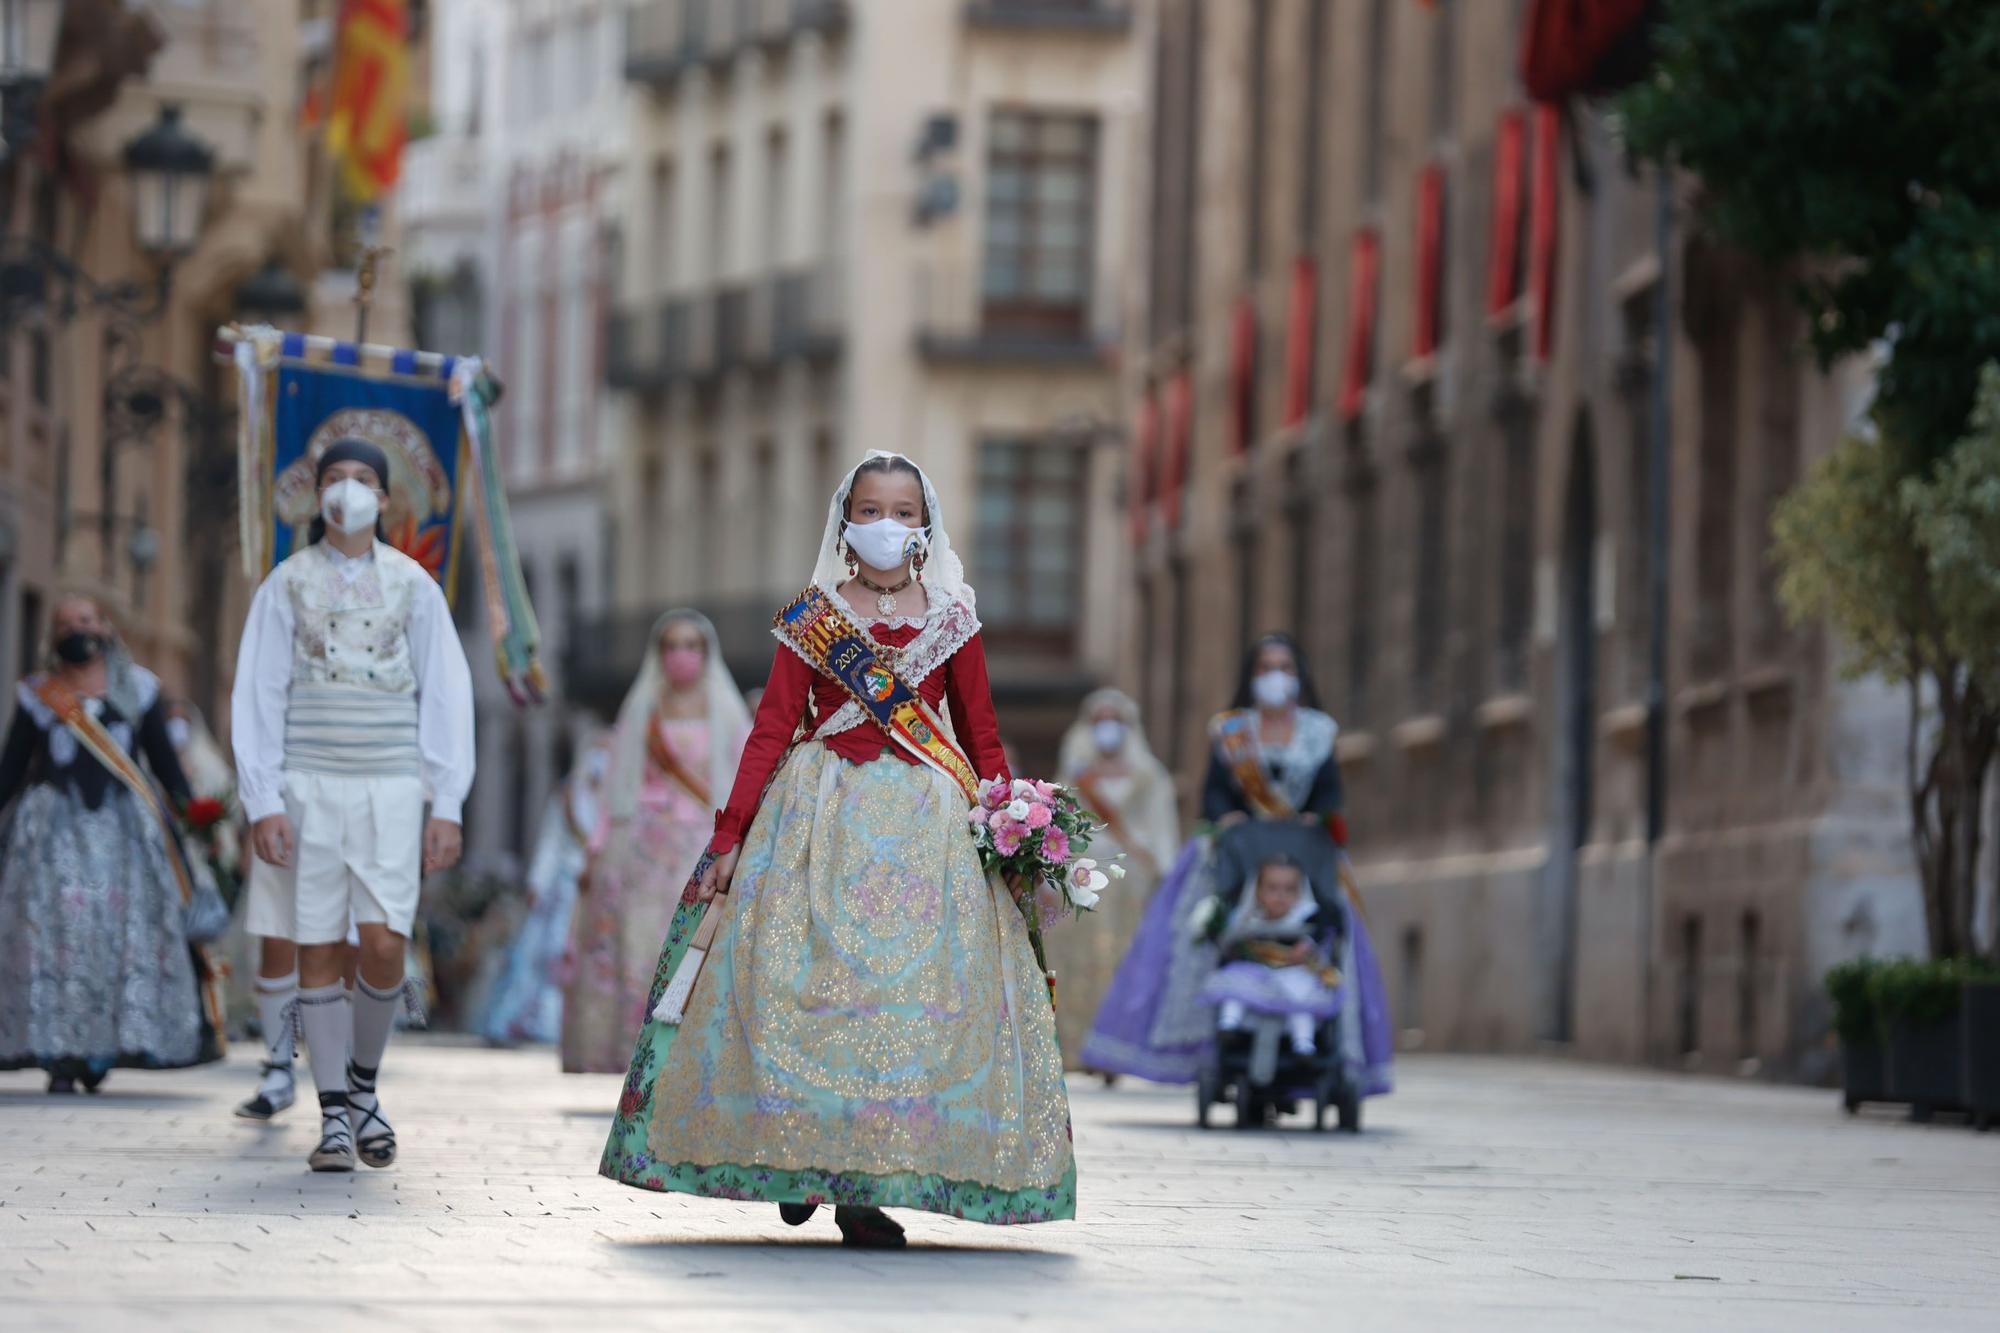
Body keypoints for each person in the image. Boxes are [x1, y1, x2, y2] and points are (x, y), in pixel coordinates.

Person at [599, 451, 1075, 1247]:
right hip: (817, 821)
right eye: (870, 509)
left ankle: (858, 1187)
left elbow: (981, 733)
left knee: (901, 1013)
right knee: (805, 993)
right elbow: (771, 730)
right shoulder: (812, 615)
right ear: (844, 521)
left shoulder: (953, 619)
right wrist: (729, 835)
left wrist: (1012, 827)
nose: (885, 524)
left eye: (901, 510)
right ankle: (804, 1158)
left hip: (929, 828)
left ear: (923, 525)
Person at [231, 439, 475, 1172]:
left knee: (382, 941)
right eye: (335, 478)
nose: (348, 489)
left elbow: (445, 694)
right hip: (308, 782)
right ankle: (334, 1113)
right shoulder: (287, 583)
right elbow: (260, 693)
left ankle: (364, 1082)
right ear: (317, 494)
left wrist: (447, 801)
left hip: (392, 786)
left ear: (386, 496)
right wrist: (263, 798)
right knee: (317, 943)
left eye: (362, 478)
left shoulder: (414, 586)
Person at [1080, 632, 1344, 1083]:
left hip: (1300, 857)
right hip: (1236, 855)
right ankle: (1214, 1039)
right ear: (1251, 676)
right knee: (1197, 931)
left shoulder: (1318, 732)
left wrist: (1315, 818)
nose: (1275, 678)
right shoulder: (1232, 731)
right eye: (1265, 669)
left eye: (1284, 668)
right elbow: (1215, 791)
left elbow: (1330, 792)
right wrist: (1227, 817)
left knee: (1328, 917)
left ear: (1299, 677)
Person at [0, 596, 224, 1091]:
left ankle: (106, 1047)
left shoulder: (140, 690)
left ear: (104, 628)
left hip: (126, 840)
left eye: (84, 620)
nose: (75, 630)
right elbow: (11, 768)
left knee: (118, 939)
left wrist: (196, 820)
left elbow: (164, 763)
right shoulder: (39, 694)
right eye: (65, 624)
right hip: (53, 837)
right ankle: (60, 1051)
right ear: (53, 636)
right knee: (57, 940)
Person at [561, 615, 747, 1072]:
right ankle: (633, 1053)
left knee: (689, 946)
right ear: (658, 653)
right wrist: (598, 846)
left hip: (698, 847)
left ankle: (684, 1058)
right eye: (671, 645)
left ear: (705, 652)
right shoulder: (643, 708)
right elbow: (616, 786)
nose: (680, 654)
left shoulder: (725, 711)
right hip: (640, 849)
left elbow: (745, 779)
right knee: (637, 948)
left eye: (690, 645)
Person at [1049, 688, 1181, 1062]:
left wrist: (1160, 870)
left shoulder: (1148, 775)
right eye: (1099, 720)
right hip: (1083, 886)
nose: (1107, 728)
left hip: (1129, 889)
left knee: (1125, 960)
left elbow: (1161, 831)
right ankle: (1076, 1046)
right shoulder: (1076, 772)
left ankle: (1120, 1049)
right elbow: (1063, 826)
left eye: (1114, 720)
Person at [476, 736, 608, 1046]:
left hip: (598, 890)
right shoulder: (568, 795)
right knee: (549, 955)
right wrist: (538, 882)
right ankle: (541, 1022)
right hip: (564, 889)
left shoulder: (617, 797)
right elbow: (551, 842)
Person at [1200, 856, 1339, 1056]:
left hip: (1293, 974)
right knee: (1235, 985)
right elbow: (1231, 939)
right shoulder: (1249, 917)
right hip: (1259, 976)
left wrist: (1307, 946)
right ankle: (1228, 1025)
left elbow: (1326, 930)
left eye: (1289, 889)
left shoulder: (1307, 916)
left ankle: (1304, 1044)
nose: (1280, 896)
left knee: (1302, 1003)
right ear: (1257, 891)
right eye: (1272, 889)